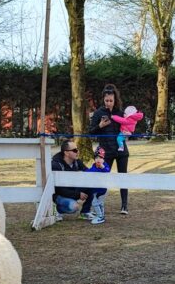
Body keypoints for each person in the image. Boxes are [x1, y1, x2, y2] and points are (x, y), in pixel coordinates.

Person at [89, 83, 131, 215]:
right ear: (103, 99)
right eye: (106, 100)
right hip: (105, 151)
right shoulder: (98, 113)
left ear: (115, 100)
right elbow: (91, 132)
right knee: (103, 178)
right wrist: (100, 125)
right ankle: (98, 204)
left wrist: (127, 132)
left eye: (111, 101)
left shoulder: (120, 112)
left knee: (123, 177)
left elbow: (128, 127)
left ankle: (124, 206)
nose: (108, 103)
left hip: (121, 151)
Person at [50, 139, 96, 219]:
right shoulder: (56, 165)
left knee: (92, 185)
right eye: (74, 150)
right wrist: (78, 194)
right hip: (58, 195)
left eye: (77, 149)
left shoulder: (77, 162)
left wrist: (98, 168)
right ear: (66, 152)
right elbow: (59, 189)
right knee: (74, 207)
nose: (77, 152)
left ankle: (85, 212)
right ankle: (56, 210)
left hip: (72, 189)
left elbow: (88, 174)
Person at [86, 146, 109, 224]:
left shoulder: (105, 166)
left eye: (100, 158)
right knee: (99, 203)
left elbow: (107, 172)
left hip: (102, 189)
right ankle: (101, 215)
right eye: (96, 158)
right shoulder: (94, 165)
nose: (98, 160)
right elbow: (90, 171)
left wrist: (102, 167)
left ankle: (100, 216)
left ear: (103, 159)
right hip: (95, 189)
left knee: (95, 203)